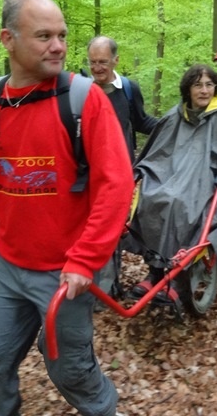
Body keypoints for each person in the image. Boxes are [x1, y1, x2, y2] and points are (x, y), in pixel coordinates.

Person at [0, 0, 134, 416]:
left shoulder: (85, 100)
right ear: (7, 39)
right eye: (44, 35)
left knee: (71, 372)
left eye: (62, 35)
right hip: (9, 268)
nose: (59, 46)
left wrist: (85, 259)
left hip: (65, 272)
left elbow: (116, 186)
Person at [127, 64, 217, 302]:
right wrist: (141, 171)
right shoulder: (173, 116)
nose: (204, 90)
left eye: (209, 84)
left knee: (182, 204)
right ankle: (155, 272)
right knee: (152, 198)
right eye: (198, 85)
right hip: (171, 176)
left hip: (209, 180)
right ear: (187, 89)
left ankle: (178, 280)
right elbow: (155, 153)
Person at [86, 36, 158, 305]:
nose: (97, 68)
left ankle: (106, 289)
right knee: (89, 230)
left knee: (113, 229)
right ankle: (95, 286)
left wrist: (174, 124)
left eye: (103, 62)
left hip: (120, 174)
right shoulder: (81, 90)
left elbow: (141, 121)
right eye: (93, 62)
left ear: (116, 60)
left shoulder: (128, 89)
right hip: (86, 175)